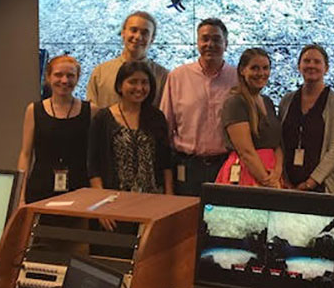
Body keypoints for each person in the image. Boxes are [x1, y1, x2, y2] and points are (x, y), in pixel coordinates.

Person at [159, 18, 238, 196]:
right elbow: (166, 126)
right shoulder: (178, 76)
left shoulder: (237, 79)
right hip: (187, 166)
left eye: (216, 39)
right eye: (205, 39)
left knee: (222, 221)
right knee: (187, 219)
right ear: (197, 42)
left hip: (225, 165)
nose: (210, 44)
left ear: (226, 43)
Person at [88, 60, 173, 201]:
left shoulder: (156, 117)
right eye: (133, 82)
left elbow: (166, 161)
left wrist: (169, 196)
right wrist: (101, 201)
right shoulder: (103, 119)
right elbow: (93, 165)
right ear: (120, 86)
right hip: (114, 200)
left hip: (153, 199)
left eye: (144, 82)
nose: (139, 88)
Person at [17, 55, 94, 204]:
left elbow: (96, 157)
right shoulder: (34, 110)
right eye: (58, 75)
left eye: (70, 75)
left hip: (79, 189)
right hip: (40, 188)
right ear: (48, 77)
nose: (64, 80)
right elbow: (25, 155)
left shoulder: (91, 111)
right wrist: (21, 195)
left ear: (78, 78)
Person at [279, 44, 334, 193]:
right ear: (299, 66)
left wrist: (311, 182)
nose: (311, 65)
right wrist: (283, 178)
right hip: (288, 186)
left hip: (322, 187)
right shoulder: (287, 100)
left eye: (317, 62)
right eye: (307, 61)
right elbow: (280, 143)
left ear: (326, 68)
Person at [221, 48, 283, 187]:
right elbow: (246, 152)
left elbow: (277, 143)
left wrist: (277, 173)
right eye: (254, 68)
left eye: (265, 68)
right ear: (242, 70)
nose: (261, 73)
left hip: (272, 175)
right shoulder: (235, 103)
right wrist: (267, 181)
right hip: (248, 174)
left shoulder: (268, 102)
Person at [87, 11, 168, 108]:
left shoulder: (164, 77)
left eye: (144, 33)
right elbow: (92, 114)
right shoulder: (100, 73)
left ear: (152, 39)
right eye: (133, 30)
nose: (138, 37)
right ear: (123, 33)